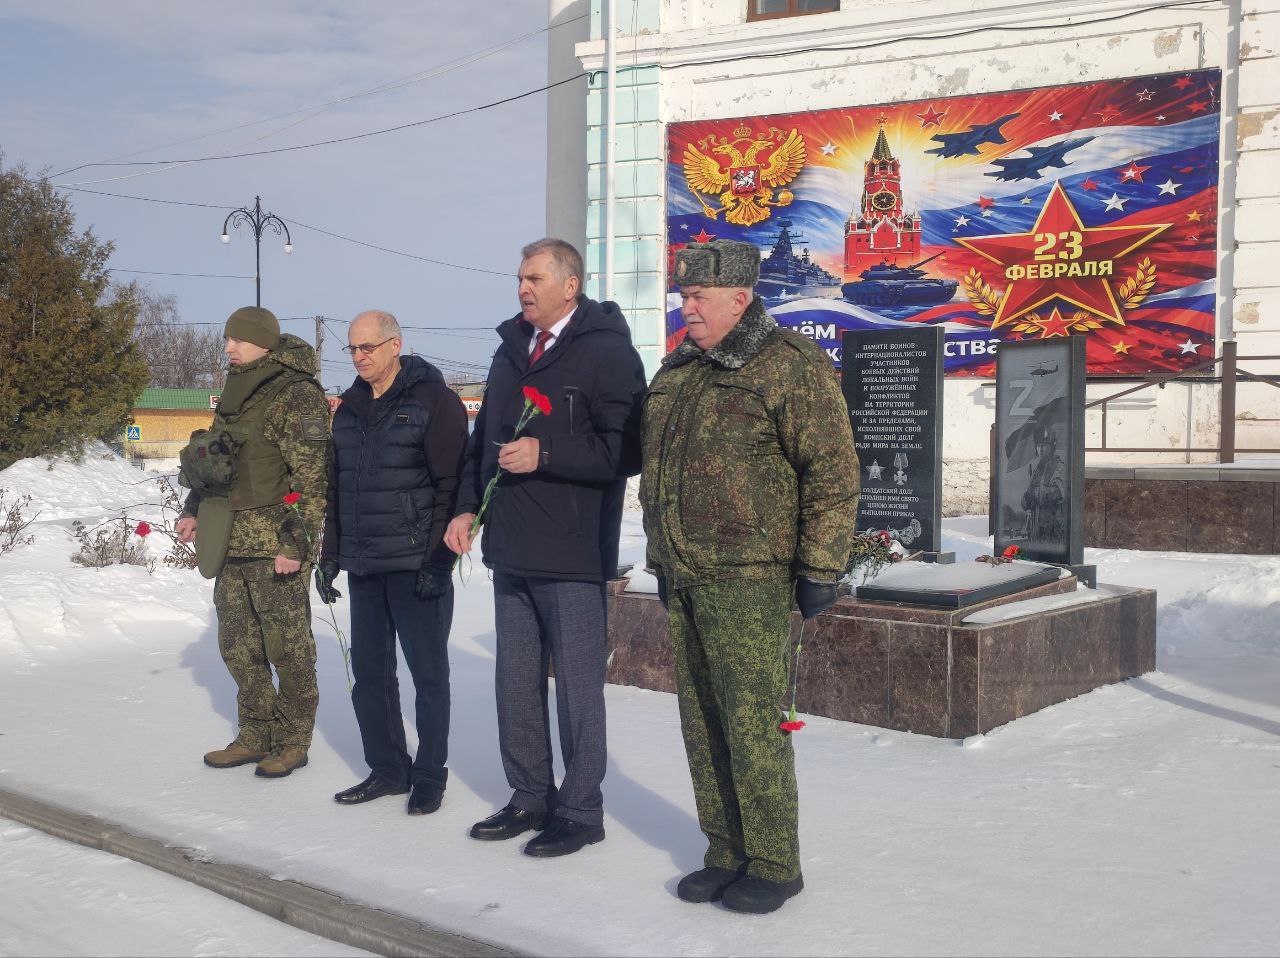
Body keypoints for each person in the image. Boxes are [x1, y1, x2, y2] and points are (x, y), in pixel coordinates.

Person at [640, 239, 860, 913]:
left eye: (700, 297)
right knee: (702, 721)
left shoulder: (788, 366)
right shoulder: (679, 370)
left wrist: (821, 565)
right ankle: (725, 850)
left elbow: (831, 469)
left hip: (750, 577)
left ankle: (772, 861)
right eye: (684, 296)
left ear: (741, 299)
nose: (688, 308)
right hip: (685, 572)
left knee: (751, 722)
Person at [443, 238, 646, 858]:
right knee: (515, 684)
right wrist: (467, 505)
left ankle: (582, 809)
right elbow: (484, 444)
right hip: (511, 547)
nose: (522, 289)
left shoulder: (608, 354)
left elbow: (626, 450)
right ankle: (530, 797)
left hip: (573, 552)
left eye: (534, 278)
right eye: (519, 278)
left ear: (570, 285)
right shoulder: (511, 352)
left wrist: (546, 453)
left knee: (578, 690)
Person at [316, 310, 468, 815]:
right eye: (353, 349)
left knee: (428, 675)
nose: (360, 356)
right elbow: (338, 488)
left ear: (395, 345)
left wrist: (438, 562)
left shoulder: (434, 401)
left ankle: (429, 773)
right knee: (370, 675)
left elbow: (451, 487)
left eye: (369, 347)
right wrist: (330, 553)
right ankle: (387, 769)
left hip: (416, 565)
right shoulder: (349, 408)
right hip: (364, 566)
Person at [176, 306, 330, 779]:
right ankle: (254, 734)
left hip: (275, 545)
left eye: (238, 340)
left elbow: (311, 480)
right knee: (239, 646)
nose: (228, 347)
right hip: (230, 538)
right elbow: (214, 459)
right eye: (228, 339)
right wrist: (192, 508)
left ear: (263, 341)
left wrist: (295, 545)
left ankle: (292, 740)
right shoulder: (235, 393)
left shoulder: (297, 394)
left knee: (287, 647)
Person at [1022, 423, 1065, 542]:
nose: (1040, 449)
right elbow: (1028, 493)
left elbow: (1059, 492)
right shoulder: (1036, 467)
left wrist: (1035, 494)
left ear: (1051, 446)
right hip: (1035, 524)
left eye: (1044, 446)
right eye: (1038, 446)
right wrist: (1026, 499)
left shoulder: (1058, 465)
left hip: (1051, 524)